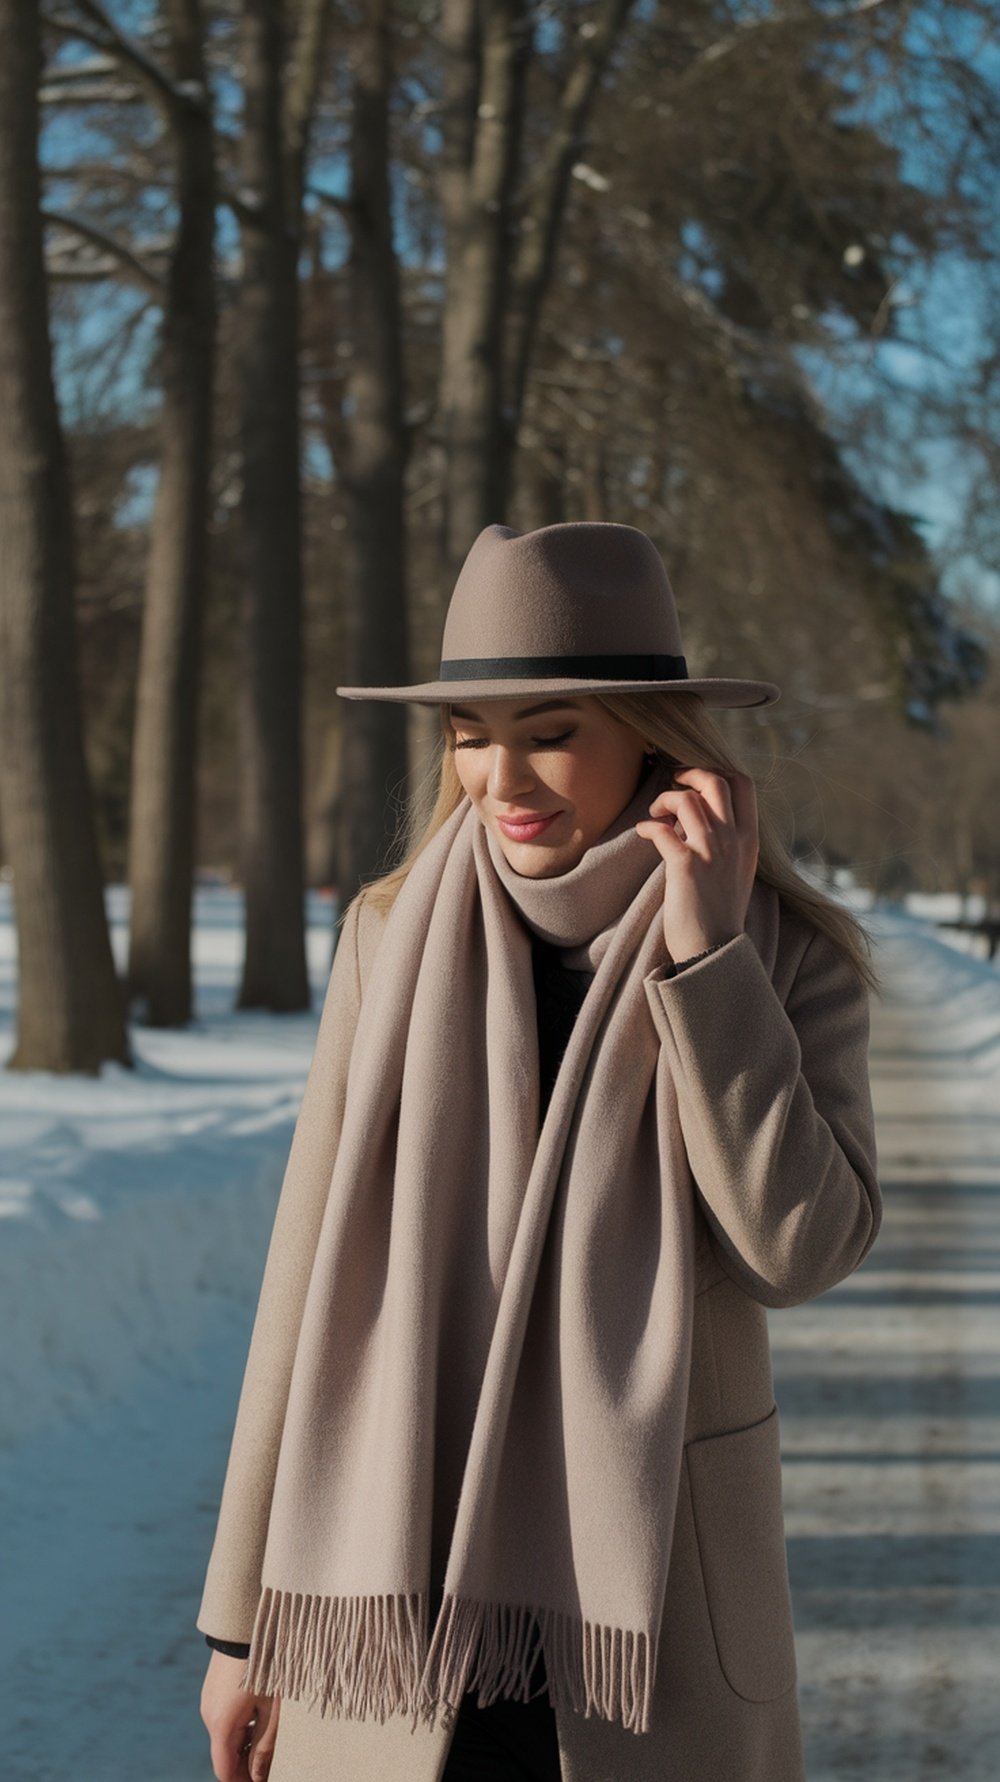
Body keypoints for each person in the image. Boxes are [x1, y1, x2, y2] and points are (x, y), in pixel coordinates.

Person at [198, 522, 880, 1782]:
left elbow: (800, 1251)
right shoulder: (390, 939)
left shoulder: (780, 954)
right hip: (397, 1611)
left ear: (652, 739)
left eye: (550, 730)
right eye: (470, 734)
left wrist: (709, 961)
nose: (499, 778)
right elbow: (301, 1292)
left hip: (652, 1619)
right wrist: (242, 1627)